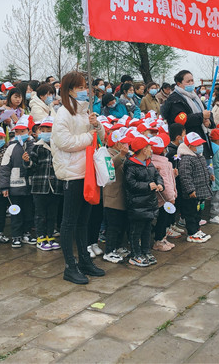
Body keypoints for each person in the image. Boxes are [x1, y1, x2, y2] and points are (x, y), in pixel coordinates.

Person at [51, 71, 105, 285]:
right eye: (81, 87)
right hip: (72, 173)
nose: (85, 91)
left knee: (84, 220)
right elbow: (64, 142)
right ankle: (69, 266)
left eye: (86, 87)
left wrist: (97, 125)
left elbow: (101, 137)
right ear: (70, 90)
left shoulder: (85, 112)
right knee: (69, 221)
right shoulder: (63, 113)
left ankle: (84, 260)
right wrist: (89, 136)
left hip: (88, 172)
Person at [123, 134, 163, 267]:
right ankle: (135, 254)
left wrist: (159, 183)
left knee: (147, 229)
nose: (151, 150)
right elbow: (131, 184)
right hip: (137, 204)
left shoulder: (149, 163)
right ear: (143, 150)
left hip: (149, 203)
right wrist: (147, 186)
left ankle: (146, 251)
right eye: (149, 147)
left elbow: (157, 176)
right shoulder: (131, 165)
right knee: (136, 231)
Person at [0, 116, 36, 248]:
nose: (19, 134)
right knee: (16, 213)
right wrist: (4, 187)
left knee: (29, 212)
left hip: (30, 187)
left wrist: (28, 161)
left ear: (29, 132)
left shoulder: (34, 146)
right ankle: (16, 236)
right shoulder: (11, 147)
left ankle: (26, 233)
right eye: (17, 132)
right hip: (15, 187)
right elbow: (4, 168)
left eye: (22, 131)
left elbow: (36, 165)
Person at [161, 70, 215, 159]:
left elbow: (207, 112)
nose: (191, 83)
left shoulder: (194, 96)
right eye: (188, 81)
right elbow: (182, 120)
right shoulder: (175, 99)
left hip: (202, 136)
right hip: (188, 141)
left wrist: (209, 121)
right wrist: (201, 116)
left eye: (192, 80)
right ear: (179, 83)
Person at [28, 117, 62, 251]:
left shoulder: (59, 147)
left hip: (55, 186)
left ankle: (50, 235)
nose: (47, 132)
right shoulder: (37, 147)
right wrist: (27, 162)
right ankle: (40, 236)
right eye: (44, 129)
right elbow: (32, 167)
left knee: (52, 213)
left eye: (50, 129)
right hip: (40, 186)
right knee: (40, 213)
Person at [176, 132, 213, 242]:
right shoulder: (186, 159)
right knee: (190, 214)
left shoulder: (199, 156)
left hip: (200, 191)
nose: (200, 147)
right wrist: (190, 190)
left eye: (200, 144)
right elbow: (185, 176)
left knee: (197, 213)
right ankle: (192, 233)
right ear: (189, 146)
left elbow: (204, 168)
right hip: (192, 194)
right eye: (197, 145)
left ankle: (197, 230)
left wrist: (209, 175)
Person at [101, 128, 130, 263]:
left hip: (121, 196)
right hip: (112, 197)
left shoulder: (121, 154)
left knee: (121, 224)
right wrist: (121, 155)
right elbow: (110, 165)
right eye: (121, 143)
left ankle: (118, 247)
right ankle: (109, 250)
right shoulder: (107, 153)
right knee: (113, 226)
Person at [149, 133, 176, 252]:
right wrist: (171, 197)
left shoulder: (152, 161)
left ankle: (162, 239)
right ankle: (159, 241)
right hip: (163, 199)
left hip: (157, 198)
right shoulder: (162, 163)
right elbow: (166, 183)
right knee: (162, 220)